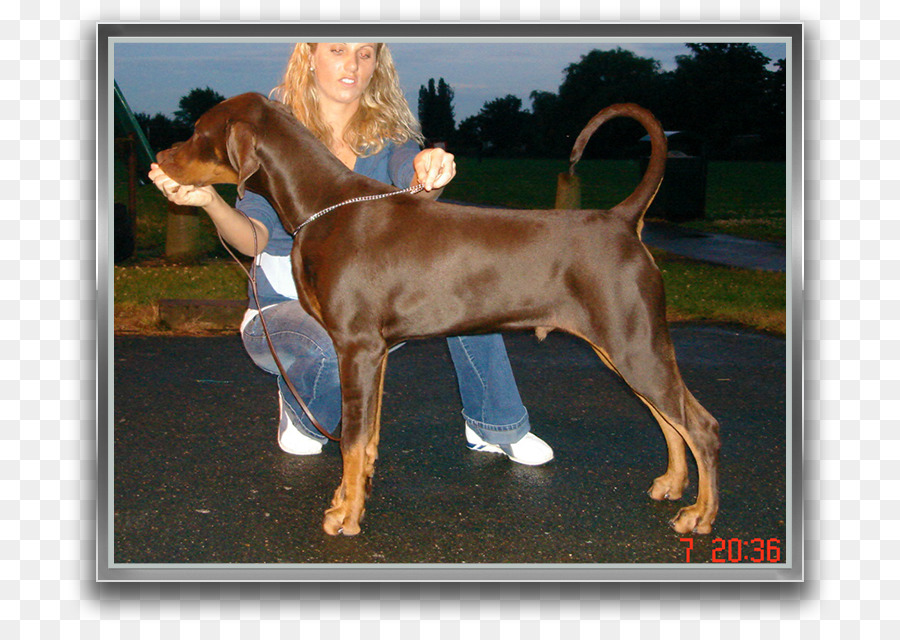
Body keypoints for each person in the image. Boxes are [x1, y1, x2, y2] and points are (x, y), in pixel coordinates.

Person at [149, 42, 553, 465]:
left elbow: (415, 191)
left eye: (365, 54)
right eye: (338, 50)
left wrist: (431, 169)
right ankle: (302, 412)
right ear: (309, 57)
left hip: (367, 302)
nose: (353, 65)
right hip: (283, 308)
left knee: (466, 287)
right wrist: (210, 202)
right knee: (329, 341)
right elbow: (254, 238)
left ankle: (495, 422)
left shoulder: (386, 136)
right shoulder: (274, 135)